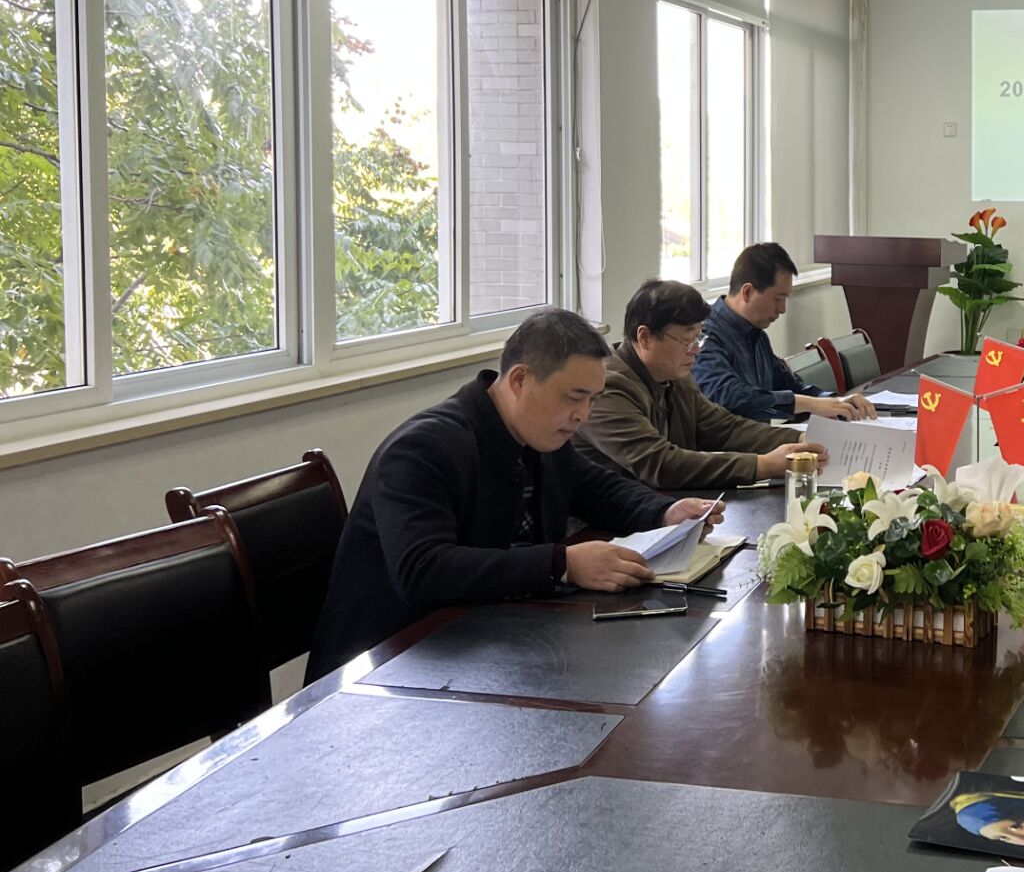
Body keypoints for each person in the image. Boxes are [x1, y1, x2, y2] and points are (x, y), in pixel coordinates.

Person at [306, 310, 722, 682]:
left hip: (486, 644)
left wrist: (665, 511)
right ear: (520, 380)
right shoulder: (423, 449)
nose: (583, 415)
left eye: (592, 400)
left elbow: (599, 489)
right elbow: (423, 570)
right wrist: (563, 564)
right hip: (390, 668)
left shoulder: (540, 435)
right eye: (574, 397)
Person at [576, 280, 830, 491]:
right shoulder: (606, 387)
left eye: (699, 339)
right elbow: (660, 464)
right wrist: (762, 465)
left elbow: (724, 428)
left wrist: (800, 439)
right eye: (687, 341)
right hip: (602, 526)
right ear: (644, 337)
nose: (696, 351)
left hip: (665, 507)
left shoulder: (676, 375)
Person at [692, 242, 876, 424]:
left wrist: (834, 401)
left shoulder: (757, 334)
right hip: (731, 443)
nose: (782, 309)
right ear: (747, 292)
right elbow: (726, 396)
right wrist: (810, 404)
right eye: (778, 299)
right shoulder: (704, 335)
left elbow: (790, 385)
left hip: (762, 439)